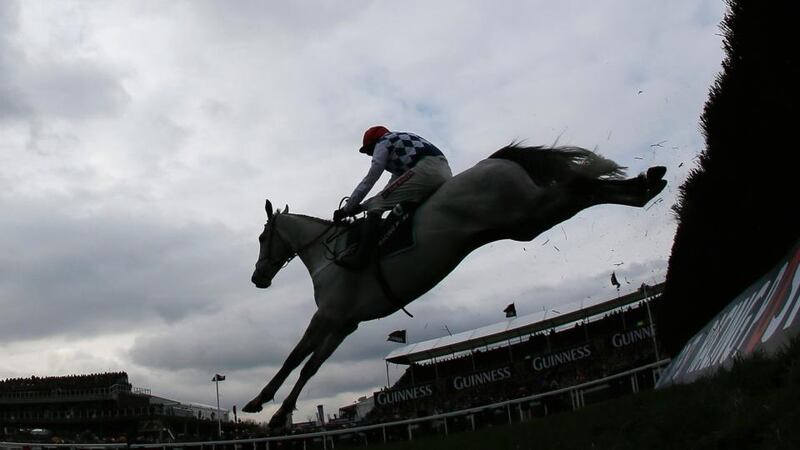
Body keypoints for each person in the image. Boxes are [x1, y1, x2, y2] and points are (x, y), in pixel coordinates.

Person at [333, 126, 452, 268]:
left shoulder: (382, 142)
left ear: (373, 143)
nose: (370, 155)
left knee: (376, 206)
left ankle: (361, 257)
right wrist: (360, 207)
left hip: (426, 170)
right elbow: (387, 192)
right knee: (381, 202)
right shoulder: (400, 150)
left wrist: (348, 208)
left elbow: (371, 178)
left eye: (369, 150)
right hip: (443, 171)